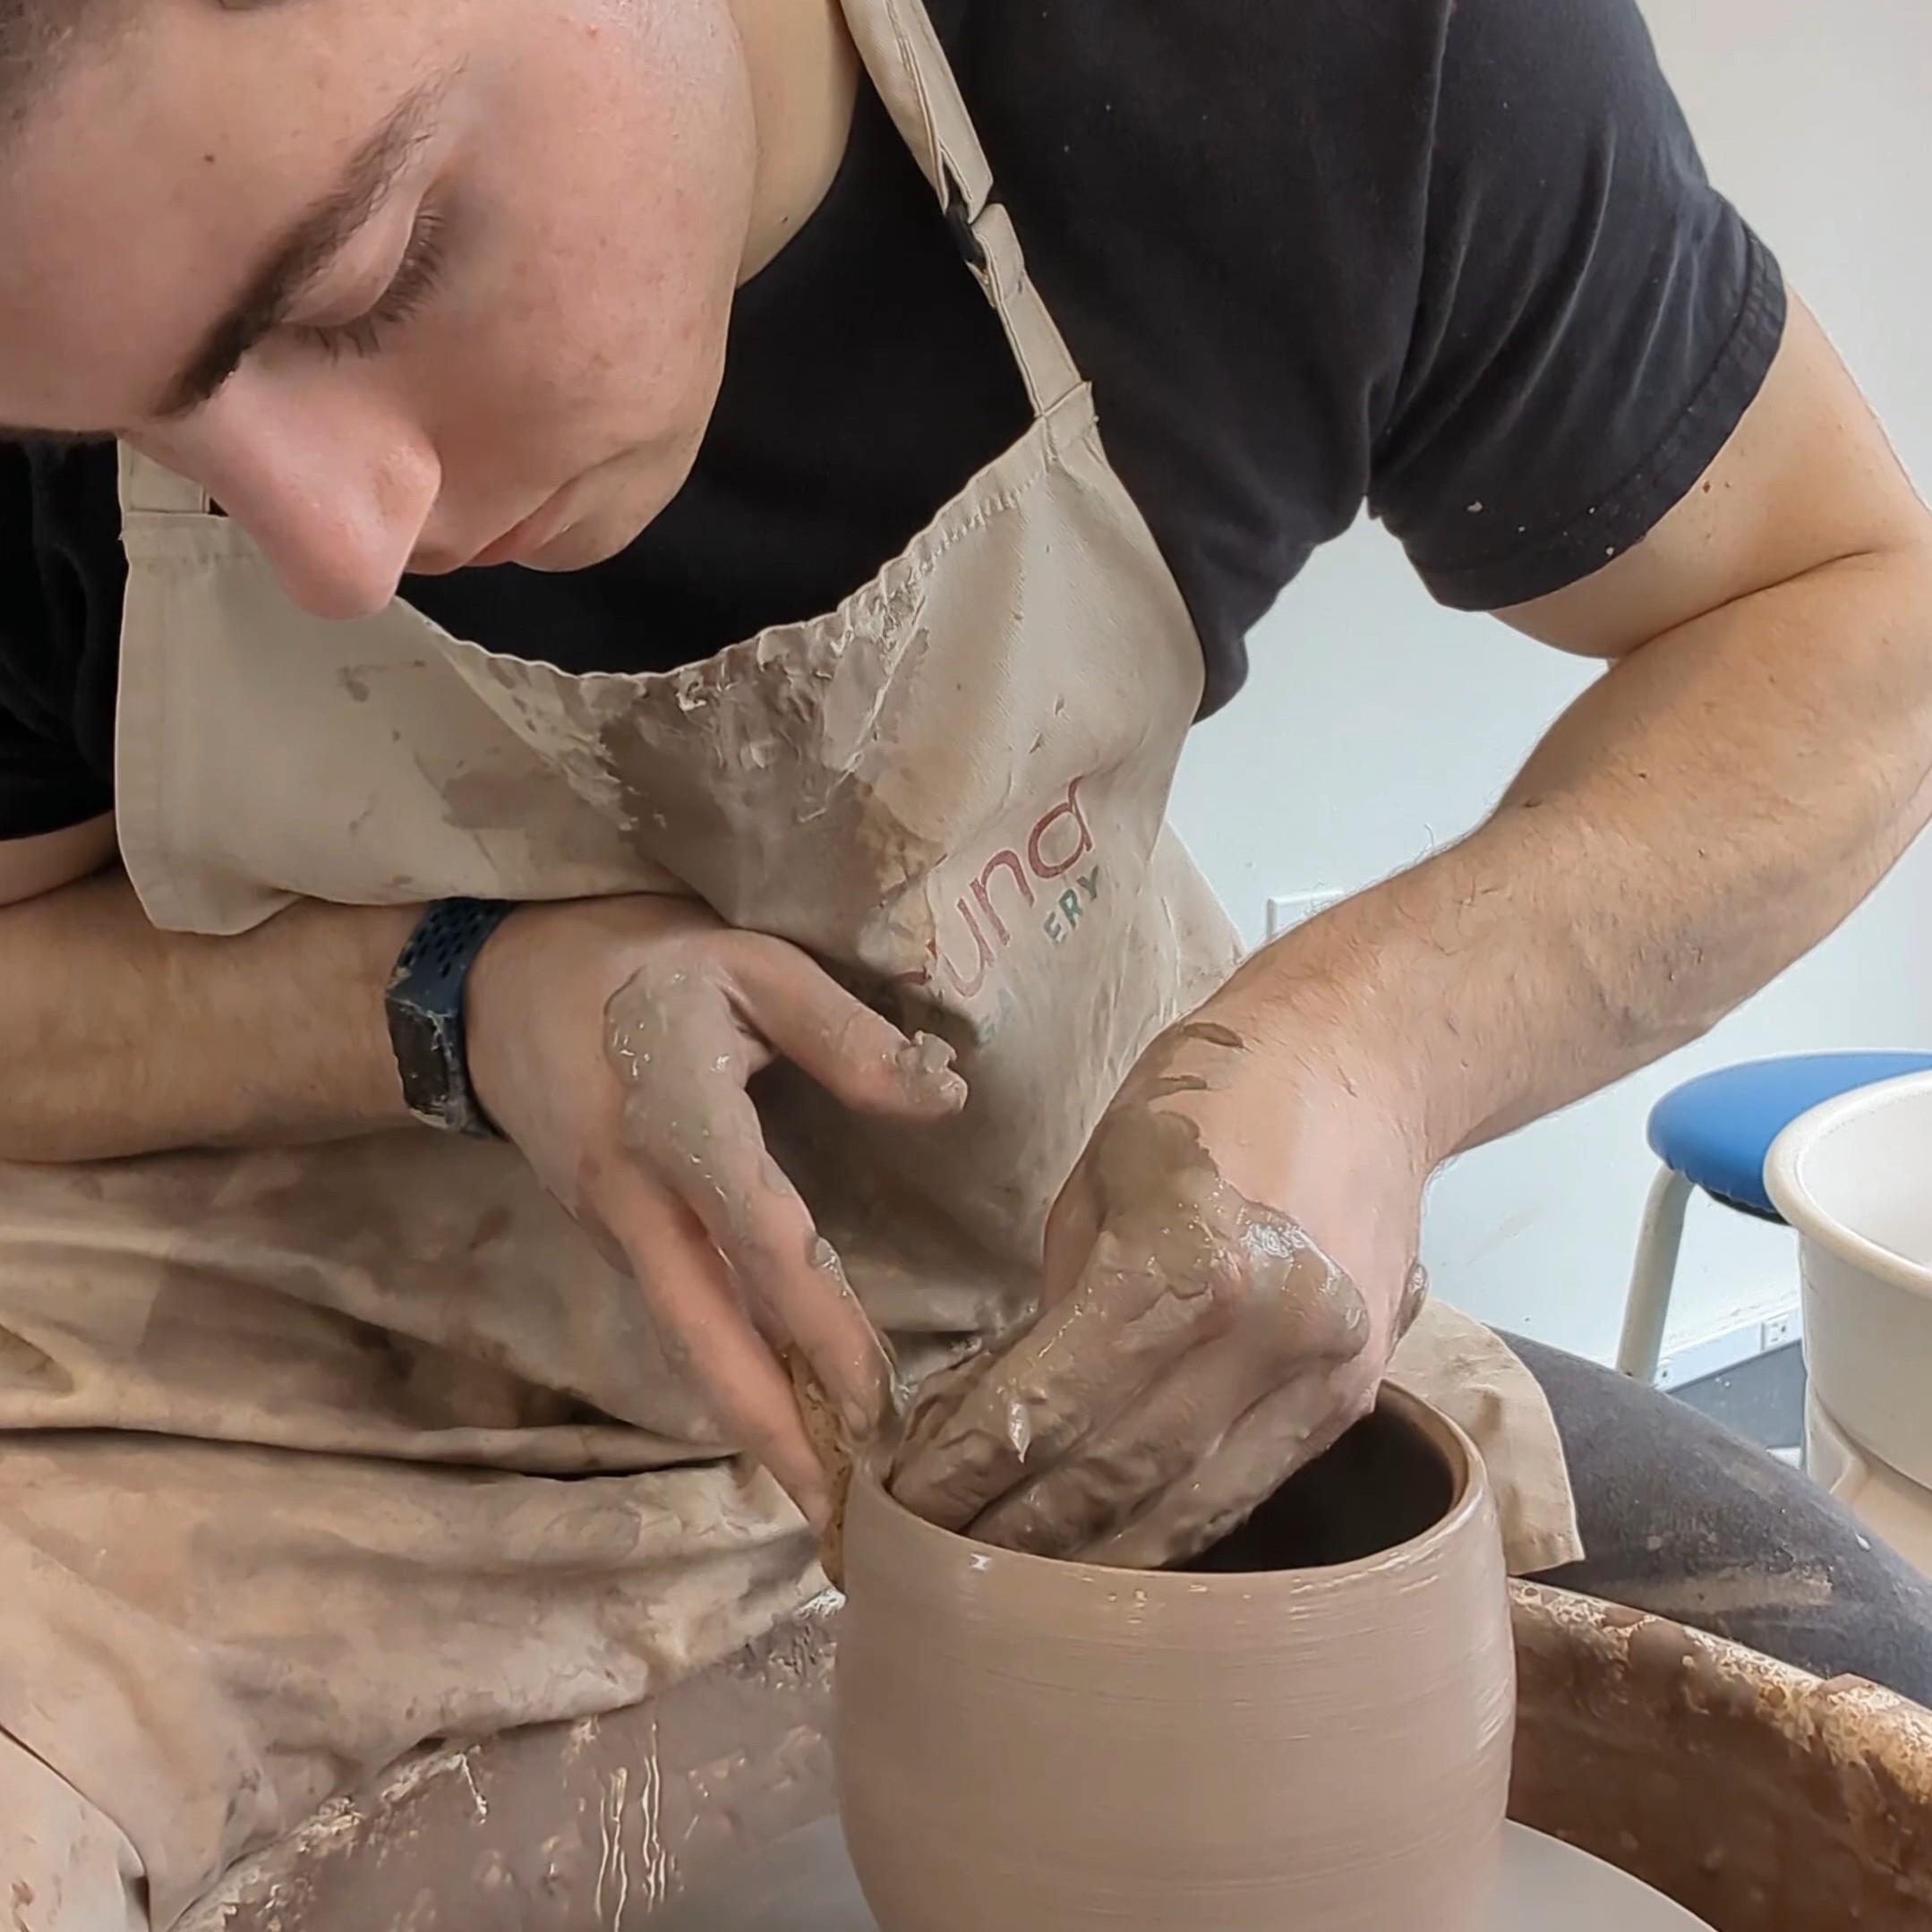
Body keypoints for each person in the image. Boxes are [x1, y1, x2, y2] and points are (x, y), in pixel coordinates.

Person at [1, 0, 1929, 1919]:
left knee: (1858, 1696)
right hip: (260, 1380)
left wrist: (1378, 1042)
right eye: (131, 418)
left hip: (1041, 1296)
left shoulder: (1299, 55)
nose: (333, 542)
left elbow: (1852, 611)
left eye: (370, 267)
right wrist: (450, 996)